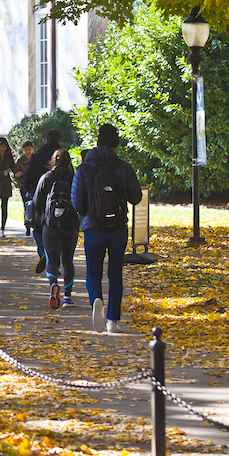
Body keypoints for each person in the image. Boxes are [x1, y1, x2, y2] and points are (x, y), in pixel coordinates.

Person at [72, 123, 141, 334]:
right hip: (118, 227)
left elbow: (76, 202)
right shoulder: (123, 167)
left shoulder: (84, 169)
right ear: (115, 146)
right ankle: (113, 320)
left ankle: (96, 300)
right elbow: (136, 197)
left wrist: (89, 214)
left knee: (93, 272)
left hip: (93, 227)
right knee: (115, 274)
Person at [32, 148, 78, 309]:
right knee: (67, 261)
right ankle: (67, 297)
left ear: (53, 161)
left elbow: (37, 202)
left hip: (50, 225)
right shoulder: (74, 178)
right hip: (71, 225)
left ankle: (53, 284)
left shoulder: (46, 178)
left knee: (52, 260)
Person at [22, 129, 62, 273]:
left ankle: (42, 251)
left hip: (40, 195)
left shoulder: (37, 156)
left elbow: (28, 177)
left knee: (38, 227)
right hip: (59, 198)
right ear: (58, 140)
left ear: (46, 139)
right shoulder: (62, 156)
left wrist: (28, 190)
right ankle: (54, 258)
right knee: (58, 229)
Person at [13, 140, 36, 236]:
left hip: (34, 185)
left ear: (32, 149)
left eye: (29, 150)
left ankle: (34, 223)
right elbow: (15, 173)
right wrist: (20, 177)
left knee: (35, 205)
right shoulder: (20, 161)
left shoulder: (35, 159)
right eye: (26, 150)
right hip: (24, 186)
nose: (28, 152)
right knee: (26, 206)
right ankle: (27, 226)